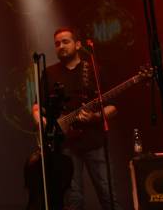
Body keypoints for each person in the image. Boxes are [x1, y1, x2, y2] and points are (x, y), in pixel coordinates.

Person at [33, 27, 121, 210]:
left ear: (78, 44)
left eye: (66, 41)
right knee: (73, 200)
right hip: (66, 147)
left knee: (108, 195)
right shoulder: (49, 73)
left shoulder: (94, 70)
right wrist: (46, 125)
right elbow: (37, 107)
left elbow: (113, 106)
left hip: (94, 142)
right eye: (57, 44)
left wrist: (96, 116)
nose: (61, 46)